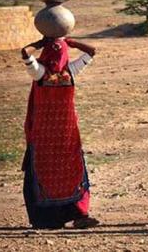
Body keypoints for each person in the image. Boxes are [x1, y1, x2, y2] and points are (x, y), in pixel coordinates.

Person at [21, 36, 99, 229]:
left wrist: (40, 44)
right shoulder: (70, 71)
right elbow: (92, 51)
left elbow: (25, 53)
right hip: (65, 132)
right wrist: (70, 42)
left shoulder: (39, 72)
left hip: (45, 133)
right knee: (71, 171)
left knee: (47, 172)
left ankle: (49, 218)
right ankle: (78, 213)